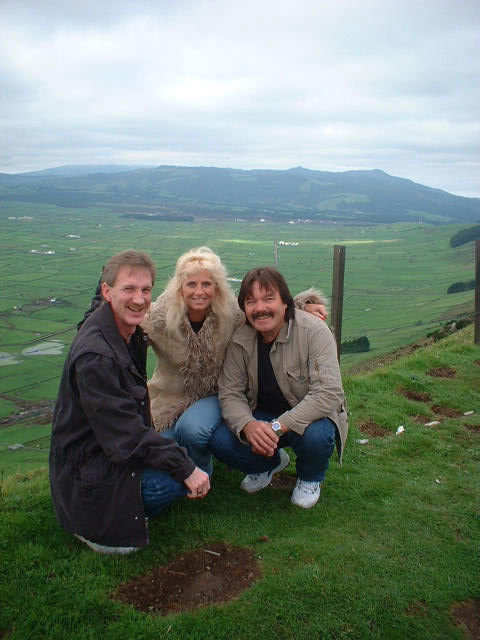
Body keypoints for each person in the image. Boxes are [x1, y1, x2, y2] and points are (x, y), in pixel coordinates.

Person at [49, 250, 210, 555]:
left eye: (145, 290)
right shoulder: (96, 358)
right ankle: (99, 531)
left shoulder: (115, 324)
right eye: (129, 289)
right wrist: (186, 469)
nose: (139, 299)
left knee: (178, 448)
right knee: (176, 477)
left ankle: (116, 510)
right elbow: (126, 437)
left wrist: (296, 308)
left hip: (97, 454)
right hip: (92, 470)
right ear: (108, 292)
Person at [141, 247, 329, 477]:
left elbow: (263, 310)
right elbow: (127, 324)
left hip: (215, 395)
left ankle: (203, 475)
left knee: (192, 430)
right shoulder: (160, 317)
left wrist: (301, 307)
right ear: (180, 286)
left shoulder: (230, 313)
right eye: (191, 284)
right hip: (170, 399)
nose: (199, 291)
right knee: (161, 449)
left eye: (206, 284)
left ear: (216, 286)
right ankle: (192, 468)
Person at [211, 267, 348, 509]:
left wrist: (277, 427)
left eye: (268, 298)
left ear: (285, 302)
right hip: (262, 415)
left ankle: (309, 477)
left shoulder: (314, 331)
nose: (260, 308)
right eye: (251, 301)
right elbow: (230, 392)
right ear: (244, 309)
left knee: (317, 436)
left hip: (309, 417)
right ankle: (269, 464)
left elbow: (328, 394)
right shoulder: (240, 339)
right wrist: (248, 425)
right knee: (221, 439)